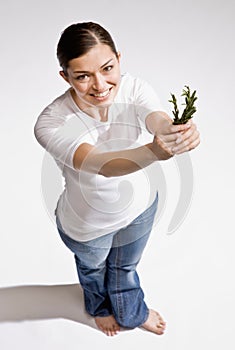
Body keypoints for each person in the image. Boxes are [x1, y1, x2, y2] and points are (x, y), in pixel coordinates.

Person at [34, 22, 200, 337]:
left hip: (140, 209)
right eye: (83, 76)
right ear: (65, 76)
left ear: (119, 59)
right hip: (88, 226)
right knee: (93, 272)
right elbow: (100, 164)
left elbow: (155, 117)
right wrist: (154, 151)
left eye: (108, 68)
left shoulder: (134, 87)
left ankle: (132, 312)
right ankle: (98, 308)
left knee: (125, 269)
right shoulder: (52, 122)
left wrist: (173, 132)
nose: (99, 85)